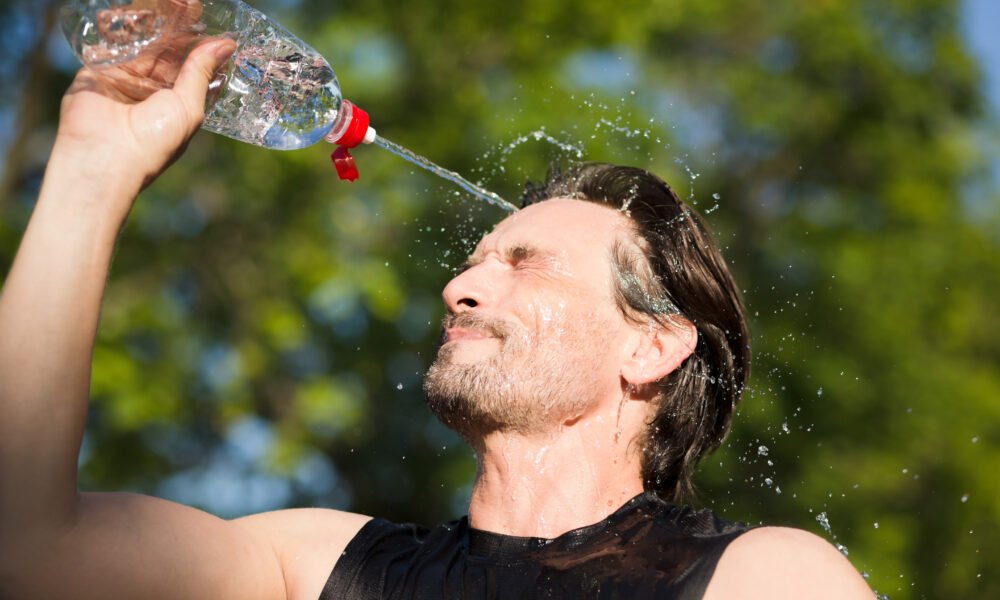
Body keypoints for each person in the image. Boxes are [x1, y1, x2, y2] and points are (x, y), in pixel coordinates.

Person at [0, 39, 874, 599]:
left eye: (524, 264)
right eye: (474, 260)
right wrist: (89, 170)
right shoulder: (324, 568)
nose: (460, 288)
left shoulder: (758, 578)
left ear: (651, 345)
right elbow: (26, 548)